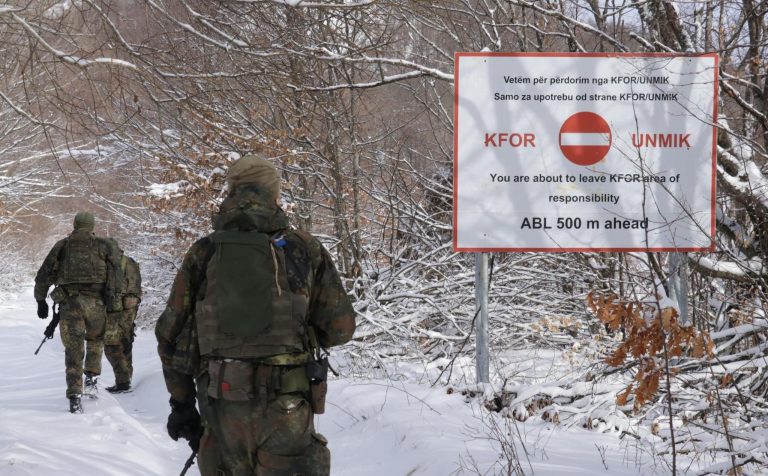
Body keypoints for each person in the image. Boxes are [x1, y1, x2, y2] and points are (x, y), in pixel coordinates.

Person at [156, 154, 356, 476]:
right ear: (275, 196)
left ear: (230, 194)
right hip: (286, 410)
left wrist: (181, 405)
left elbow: (170, 337)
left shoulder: (204, 252)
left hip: (221, 409)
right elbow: (341, 329)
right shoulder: (304, 249)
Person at [34, 212, 124, 413]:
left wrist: (41, 300)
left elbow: (44, 274)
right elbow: (117, 276)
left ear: (74, 225)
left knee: (73, 349)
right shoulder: (105, 245)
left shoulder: (62, 245)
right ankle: (91, 380)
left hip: (70, 303)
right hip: (97, 303)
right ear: (92, 226)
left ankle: (74, 393)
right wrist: (113, 302)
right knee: (95, 341)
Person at [104, 241, 142, 393]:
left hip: (115, 307)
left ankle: (123, 381)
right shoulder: (131, 262)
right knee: (126, 340)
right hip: (131, 306)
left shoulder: (109, 263)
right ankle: (127, 378)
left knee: (111, 344)